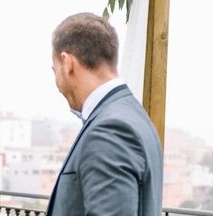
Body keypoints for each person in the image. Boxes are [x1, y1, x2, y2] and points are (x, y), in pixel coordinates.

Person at [46, 13, 163, 216]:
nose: (56, 84)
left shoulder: (110, 130)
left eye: (54, 70)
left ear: (67, 63)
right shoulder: (133, 114)